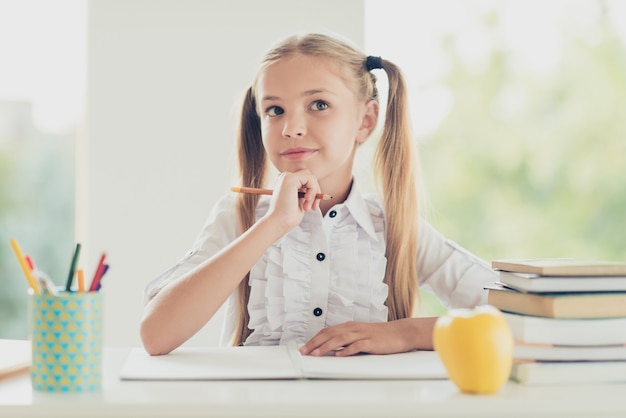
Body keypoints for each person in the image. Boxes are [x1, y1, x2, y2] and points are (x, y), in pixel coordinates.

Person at [140, 33, 497, 357]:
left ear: (366, 120)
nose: (291, 128)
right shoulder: (239, 217)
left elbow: (526, 319)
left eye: (319, 105)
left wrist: (409, 333)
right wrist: (273, 225)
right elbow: (156, 335)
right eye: (274, 110)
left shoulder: (392, 226)